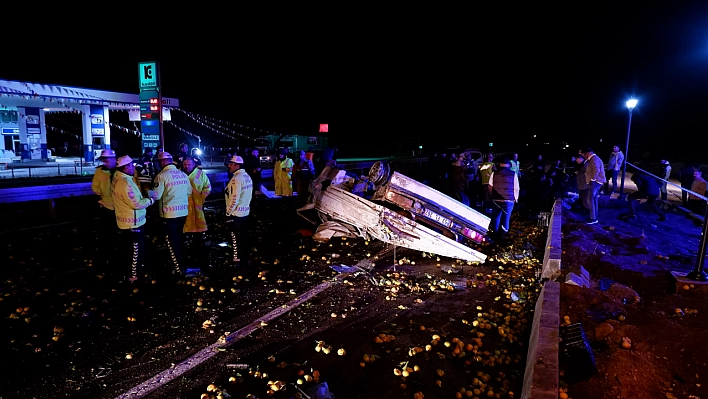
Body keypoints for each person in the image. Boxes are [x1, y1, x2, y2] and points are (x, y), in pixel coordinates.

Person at [111, 155, 157, 282]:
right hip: (133, 223)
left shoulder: (117, 177)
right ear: (126, 168)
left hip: (125, 221)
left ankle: (133, 271)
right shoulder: (126, 183)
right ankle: (133, 276)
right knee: (136, 251)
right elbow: (137, 204)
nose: (133, 167)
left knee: (130, 249)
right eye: (131, 165)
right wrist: (151, 199)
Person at [154, 151, 192, 275]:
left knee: (172, 242)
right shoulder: (182, 174)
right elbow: (189, 192)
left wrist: (146, 192)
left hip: (169, 215)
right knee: (180, 239)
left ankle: (178, 268)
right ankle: (183, 264)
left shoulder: (161, 176)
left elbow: (156, 196)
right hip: (183, 212)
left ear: (162, 162)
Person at [183, 157, 212, 271]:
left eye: (189, 164)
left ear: (193, 164)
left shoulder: (200, 174)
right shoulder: (180, 174)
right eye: (185, 164)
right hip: (185, 207)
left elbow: (208, 187)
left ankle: (201, 257)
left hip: (198, 207)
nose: (187, 166)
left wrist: (202, 198)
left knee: (199, 234)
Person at [225, 155, 253, 266]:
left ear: (237, 165)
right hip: (245, 212)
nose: (229, 166)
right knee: (244, 237)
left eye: (231, 164)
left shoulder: (236, 179)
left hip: (236, 214)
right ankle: (245, 258)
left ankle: (237, 260)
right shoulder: (246, 176)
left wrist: (228, 214)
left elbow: (234, 199)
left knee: (235, 238)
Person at [91, 149, 118, 269]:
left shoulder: (121, 170)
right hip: (107, 206)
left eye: (107, 160)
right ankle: (108, 256)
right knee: (107, 234)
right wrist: (102, 196)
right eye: (104, 160)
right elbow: (95, 187)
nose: (105, 163)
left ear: (114, 159)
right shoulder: (100, 171)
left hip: (121, 207)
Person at [488, 158, 519, 242]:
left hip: (496, 200)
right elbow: (516, 188)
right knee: (506, 218)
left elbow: (490, 186)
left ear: (501, 164)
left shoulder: (494, 173)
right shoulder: (513, 174)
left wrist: (492, 196)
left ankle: (495, 233)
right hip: (508, 200)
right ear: (509, 165)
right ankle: (503, 235)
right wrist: (515, 199)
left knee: (496, 216)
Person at [580, 148, 606, 225]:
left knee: (590, 199)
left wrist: (592, 180)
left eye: (584, 154)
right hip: (596, 182)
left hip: (595, 182)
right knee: (593, 199)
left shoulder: (594, 159)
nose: (584, 156)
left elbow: (596, 170)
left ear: (588, 153)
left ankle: (593, 218)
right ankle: (594, 216)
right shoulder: (594, 159)